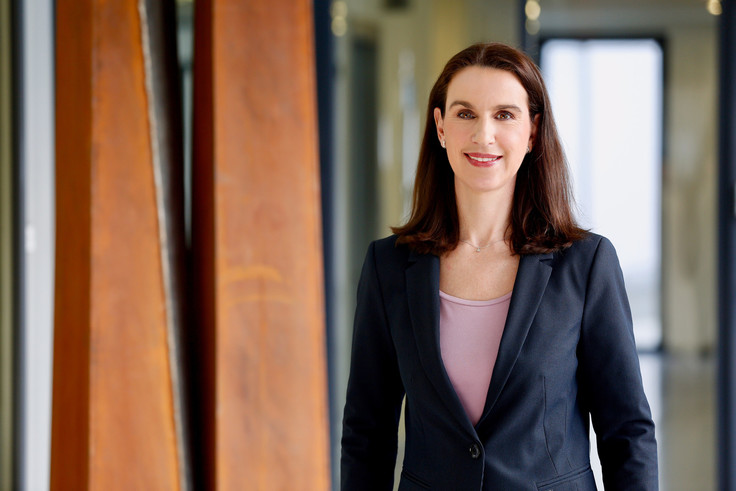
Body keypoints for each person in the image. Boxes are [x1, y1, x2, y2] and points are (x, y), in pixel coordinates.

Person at [340, 42, 658, 490]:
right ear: (440, 127)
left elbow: (627, 434)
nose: (483, 135)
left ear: (532, 132)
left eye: (505, 115)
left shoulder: (585, 266)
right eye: (465, 113)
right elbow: (366, 436)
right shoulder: (388, 266)